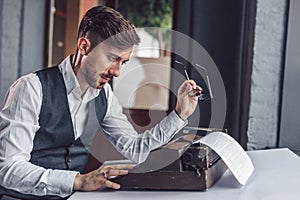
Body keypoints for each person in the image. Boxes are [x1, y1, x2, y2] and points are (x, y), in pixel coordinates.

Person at [0, 5, 202, 200]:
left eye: (123, 62)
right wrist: (77, 181)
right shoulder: (31, 88)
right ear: (84, 46)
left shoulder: (104, 94)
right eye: (112, 58)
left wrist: (179, 114)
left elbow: (134, 150)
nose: (117, 72)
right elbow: (7, 168)